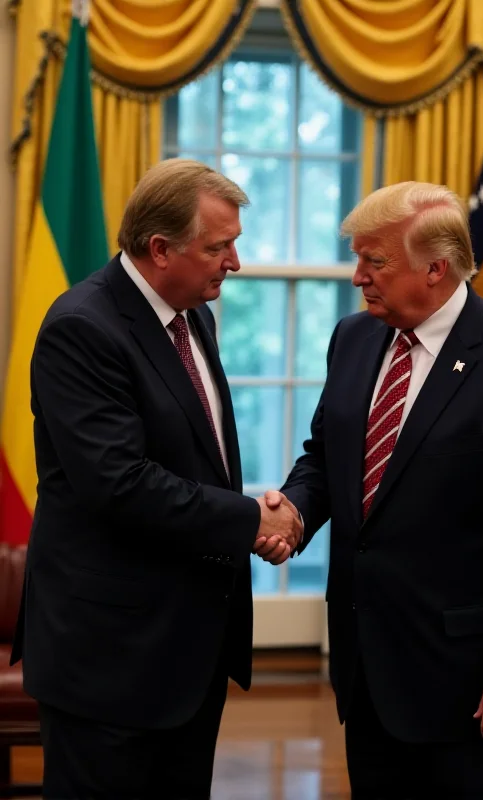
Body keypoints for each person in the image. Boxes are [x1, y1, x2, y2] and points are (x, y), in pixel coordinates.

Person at [257, 181, 483, 799]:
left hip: (472, 685)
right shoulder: (353, 340)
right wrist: (295, 510)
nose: (358, 277)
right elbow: (326, 457)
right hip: (367, 671)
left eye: (374, 261)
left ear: (435, 268)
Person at [10, 158, 302, 799]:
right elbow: (120, 484)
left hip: (186, 648)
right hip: (109, 656)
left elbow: (201, 455)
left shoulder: (192, 314)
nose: (235, 263)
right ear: (160, 248)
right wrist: (252, 520)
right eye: (219, 247)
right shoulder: (82, 328)